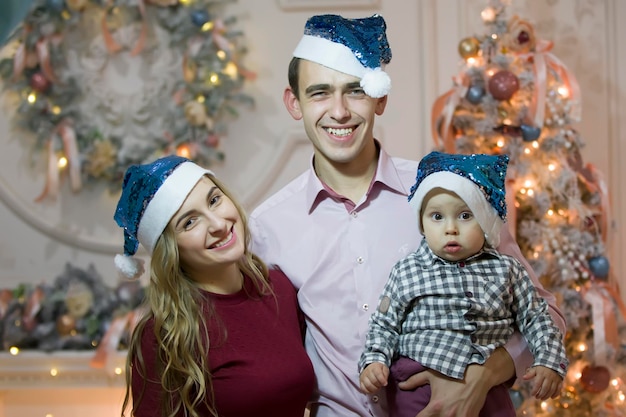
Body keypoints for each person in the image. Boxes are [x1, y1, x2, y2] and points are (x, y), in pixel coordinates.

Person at [249, 13, 566, 417]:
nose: (340, 111)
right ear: (294, 103)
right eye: (320, 93)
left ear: (380, 98)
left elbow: (545, 313)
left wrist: (484, 376)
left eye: (355, 91)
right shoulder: (268, 227)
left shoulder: (449, 190)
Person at [358, 151, 568, 417]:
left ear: (486, 222)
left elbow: (537, 317)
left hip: (487, 384)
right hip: (417, 380)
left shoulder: (507, 269)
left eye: (465, 216)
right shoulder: (408, 270)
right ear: (421, 222)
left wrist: (550, 362)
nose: (451, 228)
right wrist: (374, 360)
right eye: (437, 217)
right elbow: (384, 323)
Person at [113, 155, 315, 417]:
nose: (219, 224)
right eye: (189, 222)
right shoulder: (164, 335)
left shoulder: (278, 288)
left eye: (214, 200)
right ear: (170, 250)